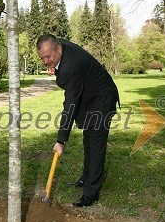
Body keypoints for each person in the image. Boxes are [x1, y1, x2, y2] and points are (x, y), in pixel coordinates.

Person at [37, 34, 119, 207]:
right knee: (88, 141)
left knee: (96, 145)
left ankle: (90, 194)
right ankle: (85, 178)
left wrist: (61, 140)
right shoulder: (59, 47)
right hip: (90, 97)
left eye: (48, 57)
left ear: (58, 49)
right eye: (42, 58)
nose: (45, 62)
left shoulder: (70, 68)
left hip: (102, 98)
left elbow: (70, 105)